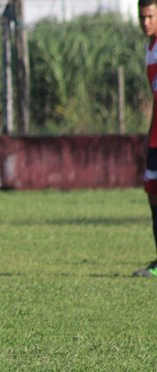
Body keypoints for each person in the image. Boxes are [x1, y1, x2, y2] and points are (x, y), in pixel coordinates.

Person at [135, 0, 157, 277]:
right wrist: (148, 132)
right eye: (141, 17)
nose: (145, 22)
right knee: (152, 195)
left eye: (150, 16)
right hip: (155, 139)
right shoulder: (149, 50)